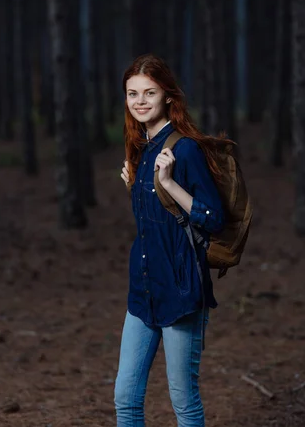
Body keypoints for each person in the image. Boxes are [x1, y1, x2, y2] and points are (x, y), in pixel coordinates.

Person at [115, 53, 232, 426]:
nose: (140, 101)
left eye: (149, 92)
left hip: (182, 292)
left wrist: (168, 184)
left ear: (168, 95)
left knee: (184, 402)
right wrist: (138, 185)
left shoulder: (185, 149)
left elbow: (213, 219)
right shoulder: (142, 149)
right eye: (133, 94)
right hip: (144, 292)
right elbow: (155, 225)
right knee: (126, 399)